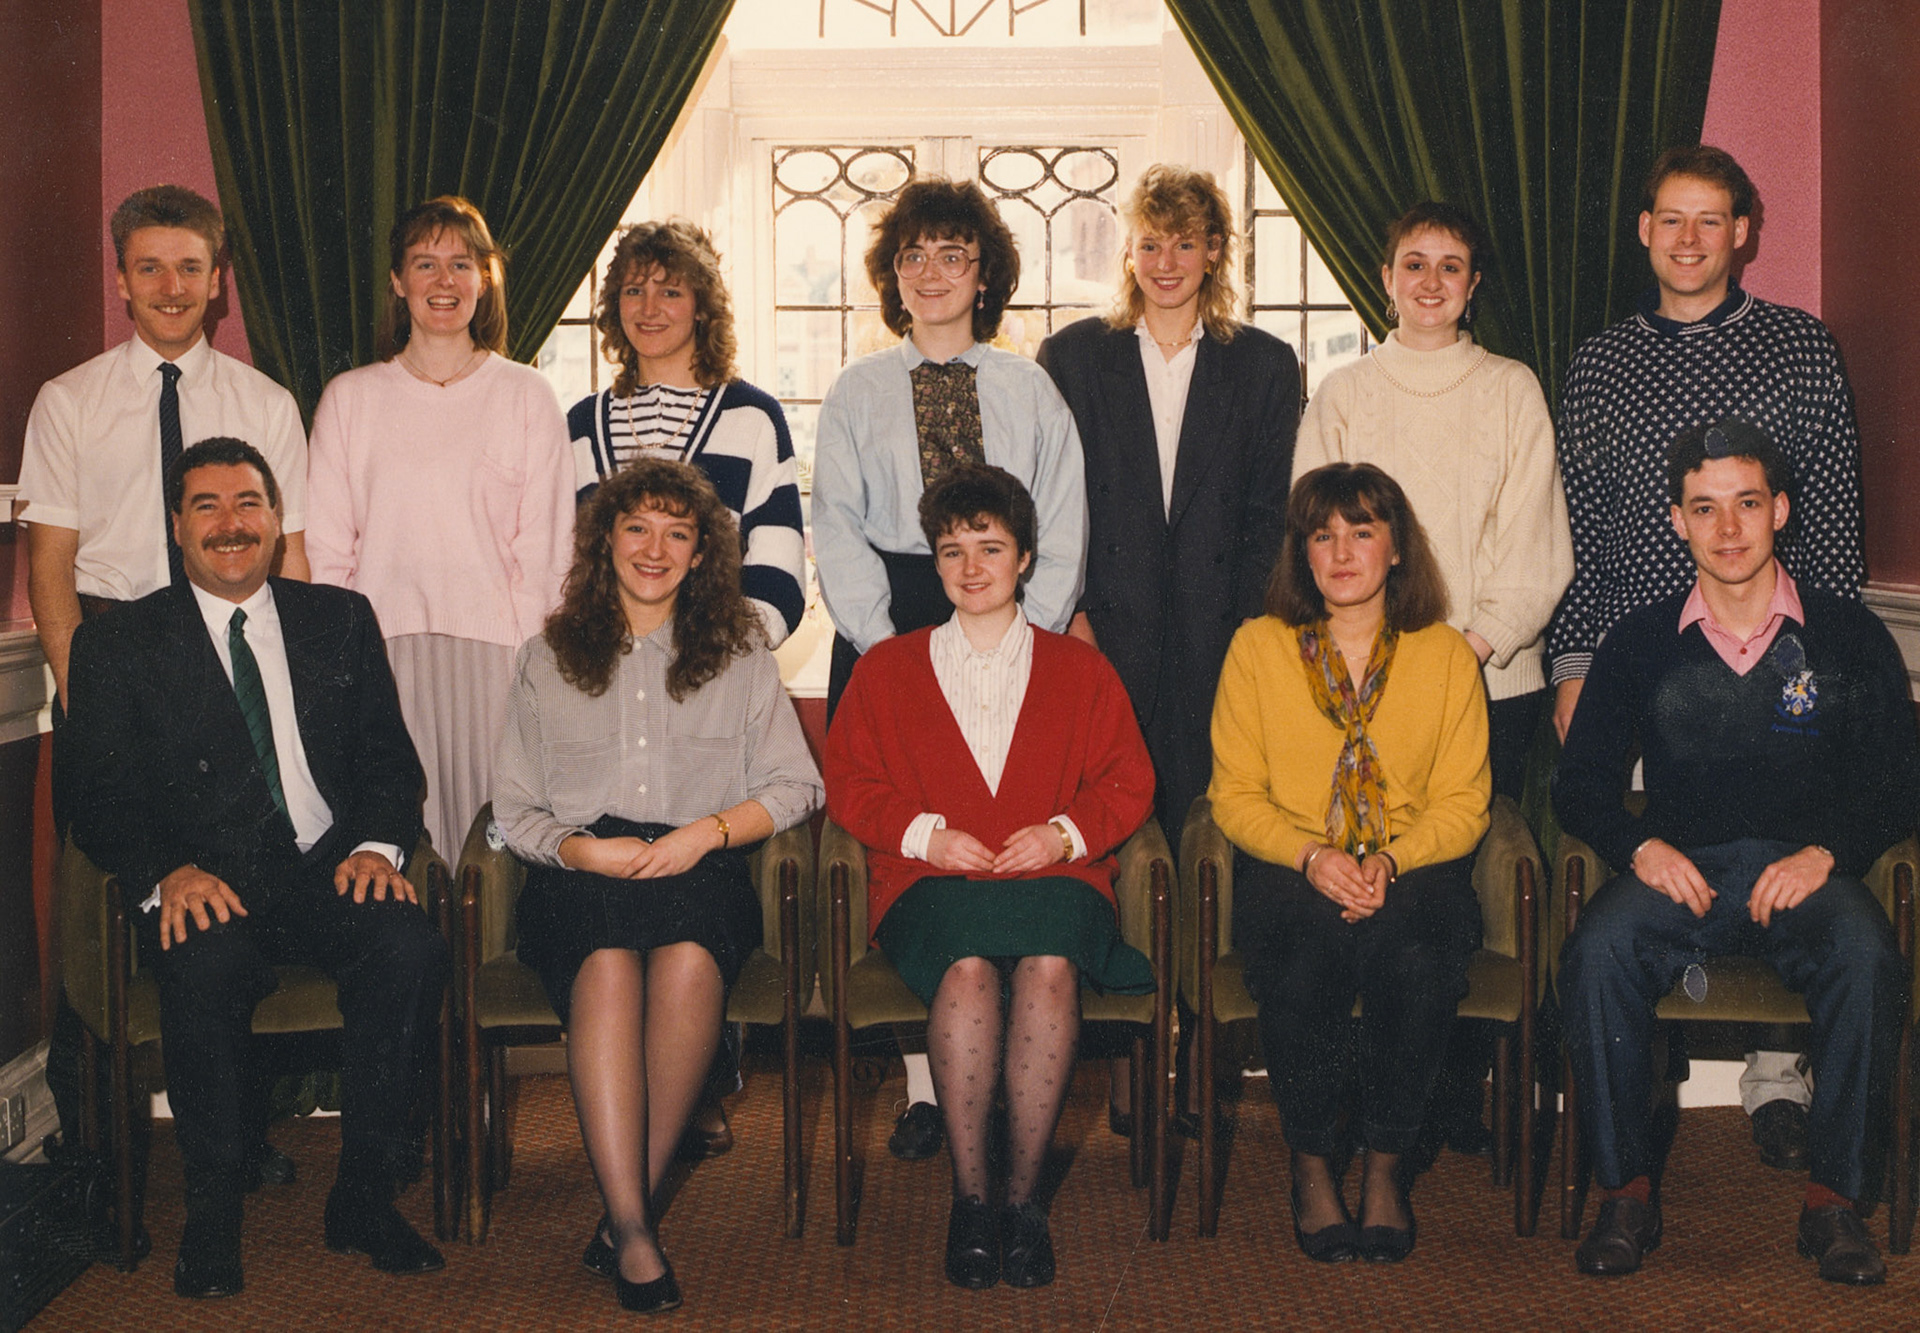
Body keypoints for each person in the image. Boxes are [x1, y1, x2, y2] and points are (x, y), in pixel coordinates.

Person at [64, 438, 447, 1298]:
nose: (231, 525)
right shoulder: (121, 642)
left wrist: (378, 848)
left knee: (409, 949)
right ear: (176, 526)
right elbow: (98, 797)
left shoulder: (339, 617)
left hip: (326, 868)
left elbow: (392, 764)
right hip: (211, 877)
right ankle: (210, 1216)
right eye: (207, 507)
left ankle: (363, 1196)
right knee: (207, 960)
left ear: (278, 521)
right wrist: (168, 873)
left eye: (249, 504)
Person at [1548, 145, 1867, 1168]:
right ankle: (1642, 1091)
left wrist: (1824, 656)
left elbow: (1836, 530)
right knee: (1658, 868)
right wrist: (1574, 663)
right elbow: (1581, 534)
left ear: (1744, 232)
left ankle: (1780, 1071)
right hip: (1640, 660)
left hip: (1774, 654)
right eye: (1671, 219)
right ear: (1644, 230)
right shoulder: (1599, 363)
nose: (1690, 239)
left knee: (1776, 844)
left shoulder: (1799, 348)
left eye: (1711, 219)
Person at [1555, 419, 1915, 1284]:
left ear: (1780, 509)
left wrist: (1831, 852)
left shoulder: (1849, 636)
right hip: (1685, 873)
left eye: (1746, 504)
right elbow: (1580, 784)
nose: (1727, 529)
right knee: (1597, 948)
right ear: (1676, 520)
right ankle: (1625, 1192)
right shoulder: (1639, 642)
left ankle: (1834, 1202)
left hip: (1806, 877)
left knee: (1868, 954)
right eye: (1704, 508)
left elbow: (1904, 778)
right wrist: (1637, 844)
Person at [15, 182, 309, 1214]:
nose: (171, 286)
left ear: (217, 279)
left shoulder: (265, 403)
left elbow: (294, 553)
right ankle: (94, 1136)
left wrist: (289, 694)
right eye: (150, 266)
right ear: (124, 277)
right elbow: (49, 563)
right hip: (111, 667)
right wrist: (80, 688)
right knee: (104, 894)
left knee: (239, 888)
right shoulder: (70, 399)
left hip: (231, 663)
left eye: (190, 266)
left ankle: (247, 1129)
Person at [492, 459, 822, 1315]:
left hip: (696, 860)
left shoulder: (741, 653)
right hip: (581, 871)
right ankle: (635, 1226)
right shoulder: (546, 655)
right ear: (605, 540)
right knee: (604, 964)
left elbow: (795, 786)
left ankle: (621, 1208)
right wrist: (579, 849)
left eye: (679, 533)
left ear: (702, 555)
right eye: (637, 526)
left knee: (684, 962)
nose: (655, 548)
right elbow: (515, 808)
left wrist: (705, 833)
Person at [824, 464, 1155, 1291]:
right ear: (932, 563)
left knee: (1048, 966)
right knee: (967, 971)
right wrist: (926, 836)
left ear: (1027, 557)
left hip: (1055, 876)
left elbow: (1129, 779)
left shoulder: (1080, 670)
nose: (971, 568)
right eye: (951, 550)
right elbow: (851, 781)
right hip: (931, 885)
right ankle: (970, 1199)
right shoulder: (886, 670)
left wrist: (1063, 832)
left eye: (991, 547)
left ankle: (1022, 1202)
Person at [812, 176, 1087, 1160]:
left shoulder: (1027, 387)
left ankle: (1013, 1072)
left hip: (1007, 615)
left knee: (1001, 830)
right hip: (890, 618)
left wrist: (1026, 637)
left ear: (985, 274)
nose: (932, 274)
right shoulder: (855, 390)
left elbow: (1059, 520)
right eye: (913, 257)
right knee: (917, 843)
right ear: (894, 276)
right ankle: (930, 1086)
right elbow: (835, 524)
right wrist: (893, 649)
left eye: (953, 255)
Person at [1292, 200, 1572, 1155]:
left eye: (1451, 266)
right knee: (1364, 883)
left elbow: (1533, 541)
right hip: (1357, 688)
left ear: (1473, 284)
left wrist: (1465, 648)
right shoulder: (1343, 394)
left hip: (1489, 681)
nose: (1430, 282)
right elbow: (1318, 533)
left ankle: (1444, 1101)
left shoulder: (1509, 388)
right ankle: (1361, 1099)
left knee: (1448, 887)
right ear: (1385, 277)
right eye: (1414, 263)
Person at [1037, 163, 1298, 1141]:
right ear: (1129, 253)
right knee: (1114, 846)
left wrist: (1249, 638)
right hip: (1105, 636)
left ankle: (1197, 1055)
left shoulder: (1265, 365)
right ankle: (1133, 1056)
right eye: (1150, 243)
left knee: (1203, 851)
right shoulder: (1073, 357)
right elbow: (1053, 504)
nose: (1167, 262)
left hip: (1223, 644)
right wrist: (1068, 615)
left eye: (1186, 243)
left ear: (1217, 252)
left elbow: (1273, 514)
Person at [1210, 462, 1490, 1264]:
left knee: (1416, 960)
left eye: (1362, 530)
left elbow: (1464, 801)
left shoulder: (1444, 656)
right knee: (1303, 957)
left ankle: (1387, 1166)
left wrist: (1391, 861)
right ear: (1300, 552)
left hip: (1412, 864)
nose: (1341, 551)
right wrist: (1312, 855)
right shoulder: (1258, 648)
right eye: (1321, 534)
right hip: (1291, 861)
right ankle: (1310, 1162)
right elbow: (1234, 793)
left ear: (1397, 548)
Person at [306, 195, 575, 863]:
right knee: (397, 848)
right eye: (425, 264)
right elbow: (329, 552)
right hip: (382, 656)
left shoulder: (526, 395)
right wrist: (346, 665)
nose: (444, 282)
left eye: (461, 264)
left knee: (491, 856)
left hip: (499, 661)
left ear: (485, 279)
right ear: (398, 281)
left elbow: (545, 549)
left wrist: (530, 668)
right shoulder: (351, 397)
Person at [567, 219, 805, 648]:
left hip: (714, 667)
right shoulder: (583, 424)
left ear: (701, 307)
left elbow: (779, 571)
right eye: (634, 291)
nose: (648, 309)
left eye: (670, 292)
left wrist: (724, 657)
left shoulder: (753, 418)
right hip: (603, 667)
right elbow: (564, 563)